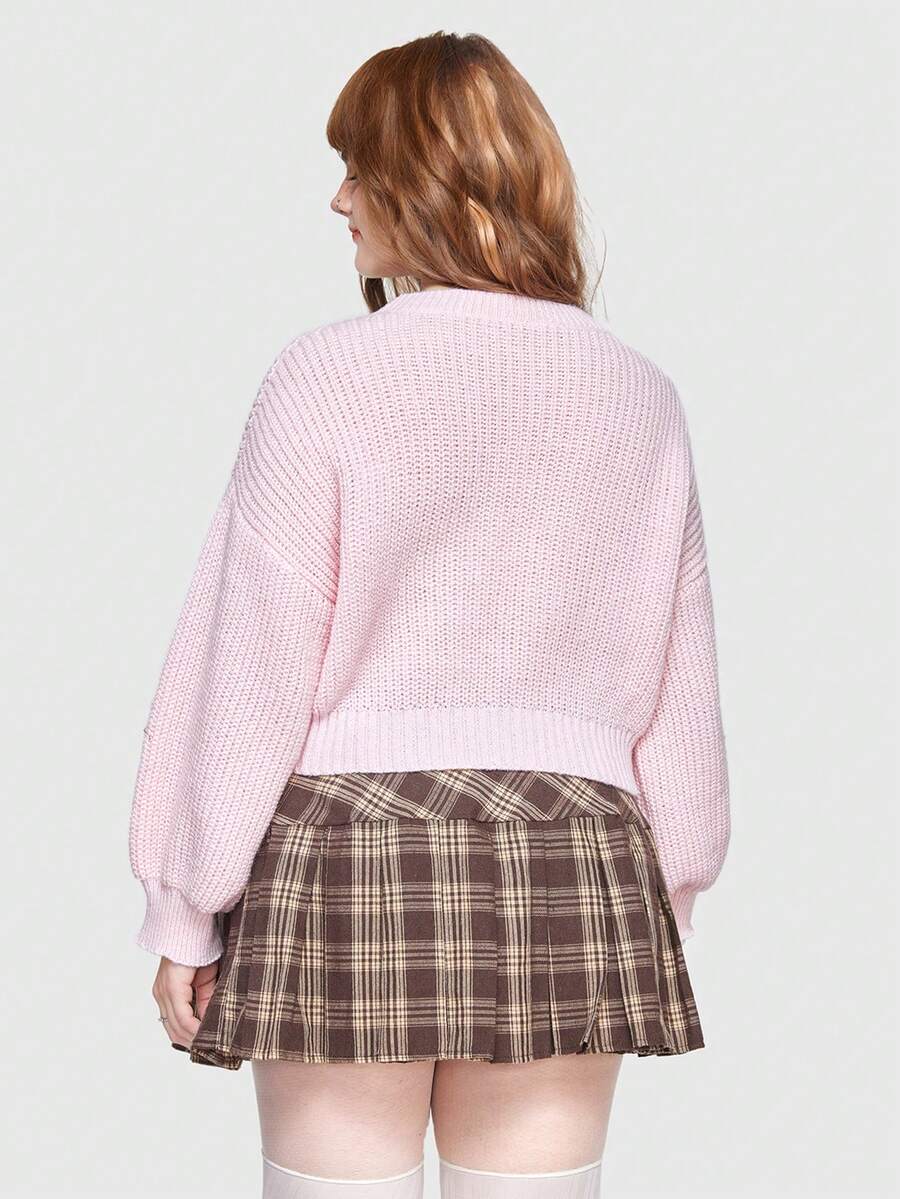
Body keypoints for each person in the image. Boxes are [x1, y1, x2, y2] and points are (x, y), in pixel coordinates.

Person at [128, 30, 731, 1199]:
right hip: (575, 853)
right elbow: (682, 684)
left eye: (359, 166)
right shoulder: (642, 396)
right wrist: (666, 888)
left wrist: (185, 905)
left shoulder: (324, 376)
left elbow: (248, 664)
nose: (339, 197)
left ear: (424, 180)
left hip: (348, 849)